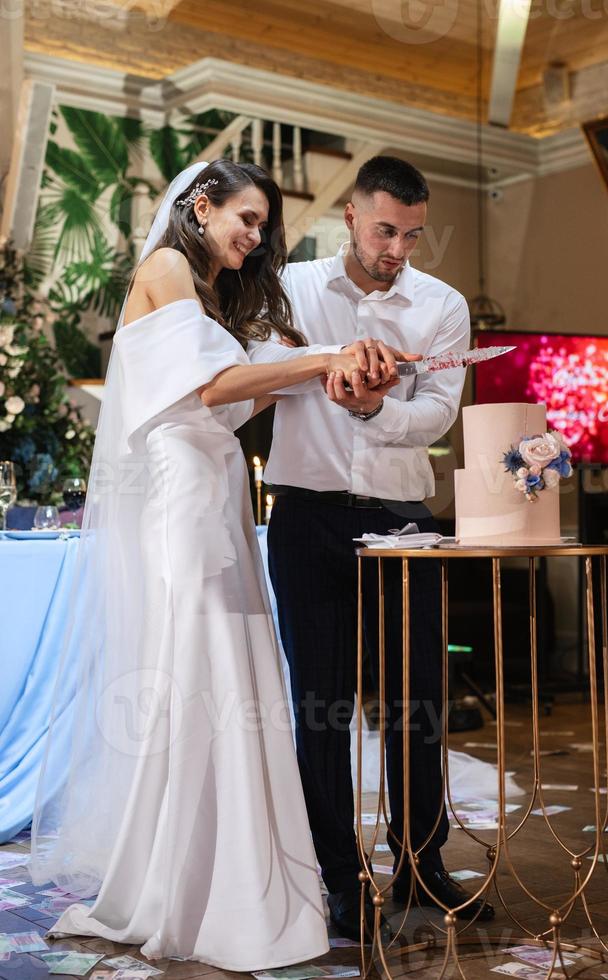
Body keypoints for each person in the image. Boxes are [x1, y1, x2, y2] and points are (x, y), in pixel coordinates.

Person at [29, 159, 412, 969]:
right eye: (245, 218)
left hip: (216, 492)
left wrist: (317, 373)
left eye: (262, 226)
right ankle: (207, 885)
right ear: (199, 206)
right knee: (205, 665)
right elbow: (208, 392)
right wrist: (319, 359)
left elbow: (234, 397)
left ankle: (218, 869)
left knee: (227, 670)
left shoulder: (203, 291)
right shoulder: (167, 266)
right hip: (183, 501)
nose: (254, 236)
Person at [248, 155, 495, 941]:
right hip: (306, 516)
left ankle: (423, 866)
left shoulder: (442, 305)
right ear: (351, 216)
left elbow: (435, 417)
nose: (398, 249)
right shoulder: (291, 287)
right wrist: (326, 370)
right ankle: (336, 876)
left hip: (401, 518)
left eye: (413, 235)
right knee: (320, 707)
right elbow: (255, 372)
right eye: (385, 230)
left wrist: (371, 410)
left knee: (416, 702)